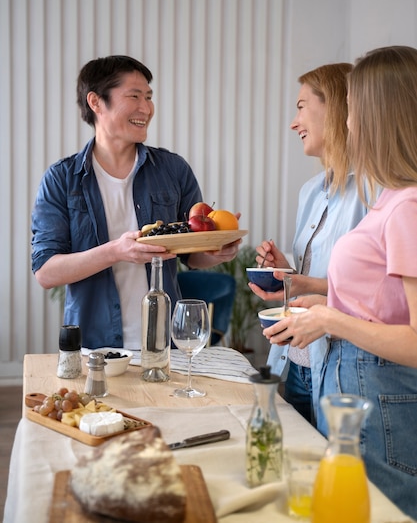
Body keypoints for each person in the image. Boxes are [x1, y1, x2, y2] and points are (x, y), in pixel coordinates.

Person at [263, 45, 417, 519]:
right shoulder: (393, 197)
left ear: (377, 115)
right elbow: (376, 299)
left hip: (376, 389)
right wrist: (314, 298)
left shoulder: (407, 205)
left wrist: (329, 318)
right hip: (352, 382)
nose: (348, 123)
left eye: (355, 109)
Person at [31, 55, 240, 350]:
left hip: (166, 344)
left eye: (149, 97)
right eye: (134, 96)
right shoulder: (62, 179)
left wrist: (218, 250)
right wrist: (117, 251)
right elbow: (46, 272)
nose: (147, 108)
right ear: (96, 102)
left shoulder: (173, 169)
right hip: (95, 347)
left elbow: (192, 255)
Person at [249, 63, 372, 426]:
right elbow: (313, 277)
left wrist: (302, 284)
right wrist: (285, 270)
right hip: (297, 362)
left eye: (302, 106)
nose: (293, 122)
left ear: (334, 109)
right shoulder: (311, 192)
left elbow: (376, 295)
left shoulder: (374, 191)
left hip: (341, 365)